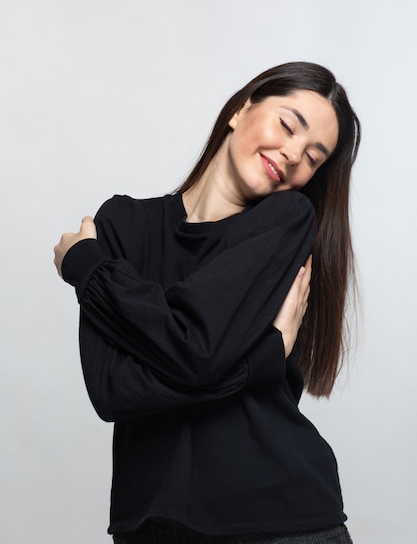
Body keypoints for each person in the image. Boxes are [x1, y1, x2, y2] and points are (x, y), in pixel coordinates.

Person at [54, 62, 360, 544]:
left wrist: (88, 269)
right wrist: (261, 359)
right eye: (287, 124)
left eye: (314, 157)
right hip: (149, 524)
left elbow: (194, 351)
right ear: (242, 109)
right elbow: (113, 391)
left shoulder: (285, 220)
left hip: (280, 522)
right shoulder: (122, 226)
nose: (293, 154)